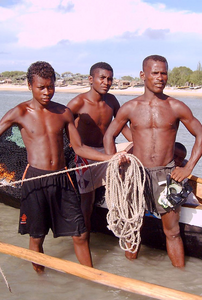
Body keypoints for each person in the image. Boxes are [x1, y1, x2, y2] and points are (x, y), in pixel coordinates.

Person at [0, 61, 115, 273]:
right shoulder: (19, 112)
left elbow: (79, 148)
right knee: (37, 237)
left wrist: (109, 157)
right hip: (35, 180)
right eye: (41, 87)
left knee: (80, 233)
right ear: (29, 86)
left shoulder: (63, 112)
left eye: (50, 87)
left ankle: (91, 279)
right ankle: (41, 280)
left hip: (62, 179)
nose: (46, 92)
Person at [103, 55, 202, 267]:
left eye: (164, 73)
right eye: (155, 73)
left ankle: (179, 281)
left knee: (172, 232)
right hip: (136, 174)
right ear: (143, 75)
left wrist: (188, 168)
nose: (161, 77)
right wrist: (115, 161)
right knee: (132, 228)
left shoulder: (176, 106)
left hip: (167, 175)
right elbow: (109, 136)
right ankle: (130, 280)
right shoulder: (130, 108)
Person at [67, 62, 132, 241]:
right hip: (85, 154)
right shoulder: (78, 103)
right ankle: (84, 239)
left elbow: (123, 126)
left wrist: (138, 142)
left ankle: (124, 232)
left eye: (109, 79)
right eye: (102, 78)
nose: (106, 82)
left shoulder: (112, 101)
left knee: (119, 192)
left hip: (107, 151)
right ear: (91, 79)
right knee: (86, 203)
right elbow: (63, 124)